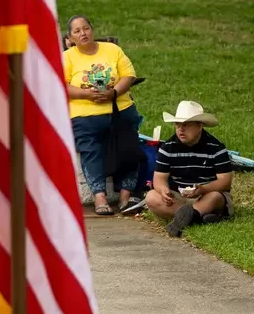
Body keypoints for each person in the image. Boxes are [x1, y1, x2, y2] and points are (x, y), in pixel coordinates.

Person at [62, 15, 143, 216]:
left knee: (130, 148)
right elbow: (60, 83)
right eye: (77, 31)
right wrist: (85, 93)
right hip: (84, 114)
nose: (83, 33)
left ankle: (126, 195)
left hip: (119, 108)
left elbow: (128, 75)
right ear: (70, 37)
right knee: (90, 150)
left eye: (86, 28)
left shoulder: (112, 50)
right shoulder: (68, 57)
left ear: (92, 29)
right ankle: (100, 197)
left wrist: (113, 92)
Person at [146, 101, 234, 237]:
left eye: (186, 125)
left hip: (206, 195)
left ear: (199, 126)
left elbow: (225, 182)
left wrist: (203, 189)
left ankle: (185, 218)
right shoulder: (167, 147)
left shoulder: (216, 147)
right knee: (151, 197)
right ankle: (198, 218)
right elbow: (159, 178)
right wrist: (163, 190)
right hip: (179, 196)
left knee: (215, 197)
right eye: (177, 125)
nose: (180, 129)